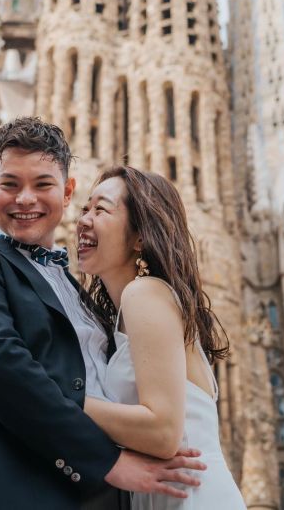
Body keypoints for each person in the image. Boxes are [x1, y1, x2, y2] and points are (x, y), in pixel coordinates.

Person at [0, 117, 206, 510]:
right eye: (10, 184)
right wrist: (107, 462)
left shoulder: (88, 296)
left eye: (43, 184)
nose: (26, 199)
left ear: (67, 193)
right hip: (27, 493)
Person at [76, 165, 247, 509]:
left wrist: (65, 401)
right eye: (84, 208)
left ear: (140, 237)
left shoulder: (145, 294)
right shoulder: (138, 305)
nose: (82, 220)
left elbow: (163, 431)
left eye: (101, 209)